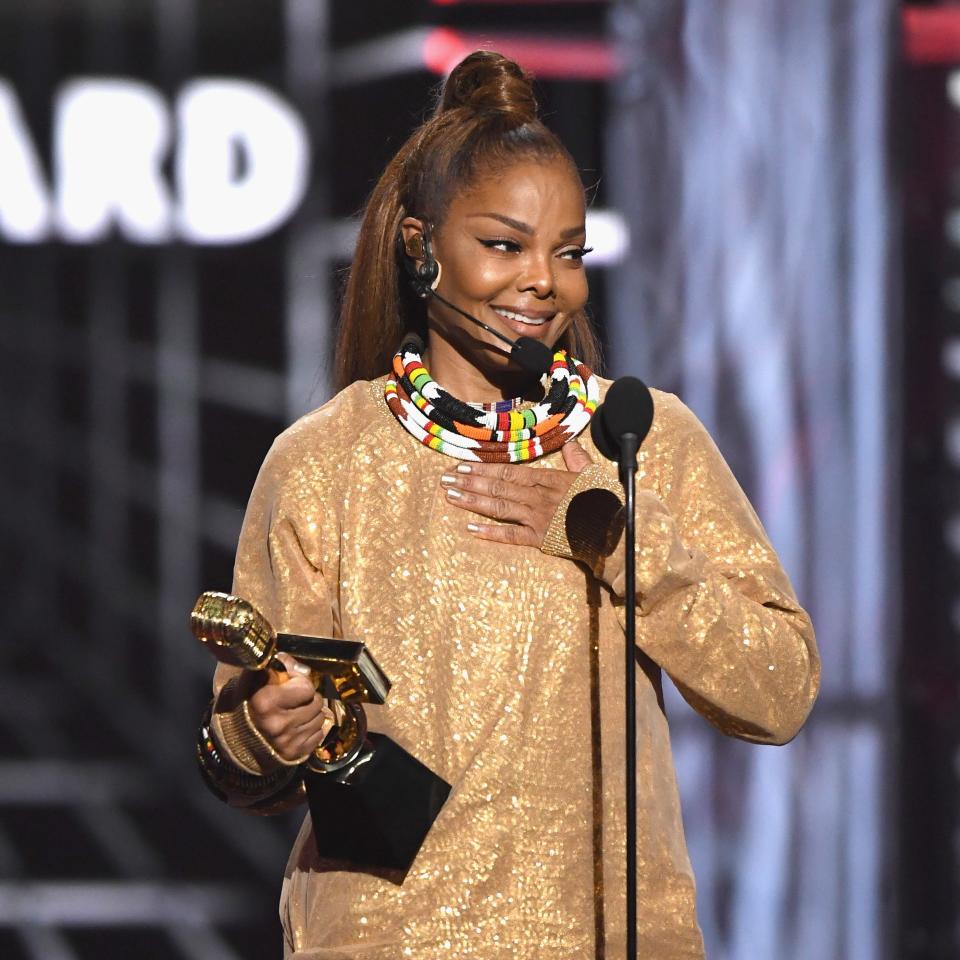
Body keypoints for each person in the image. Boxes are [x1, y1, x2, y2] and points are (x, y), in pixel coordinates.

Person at [195, 50, 820, 960]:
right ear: (420, 246)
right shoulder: (327, 459)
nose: (543, 281)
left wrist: (610, 540)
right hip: (388, 939)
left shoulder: (642, 439)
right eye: (504, 245)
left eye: (569, 253)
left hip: (609, 937)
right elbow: (245, 750)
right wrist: (264, 728)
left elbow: (781, 689)